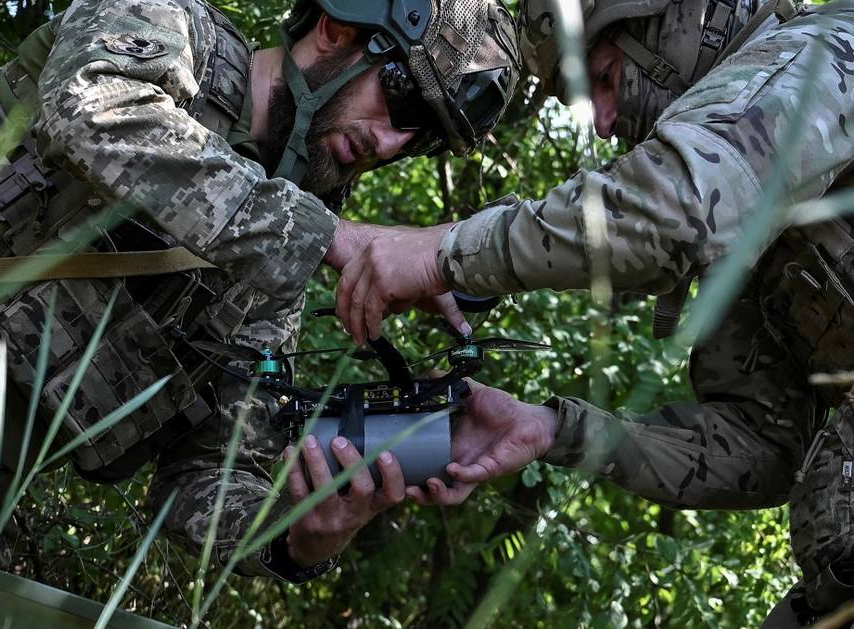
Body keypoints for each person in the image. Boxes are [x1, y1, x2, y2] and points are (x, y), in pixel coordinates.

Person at [332, 0, 854, 623]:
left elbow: (674, 209)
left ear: (676, 27)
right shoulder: (745, 226)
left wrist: (445, 251)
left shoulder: (833, 48)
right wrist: (557, 429)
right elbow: (766, 448)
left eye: (605, 78)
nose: (604, 124)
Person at [0, 0, 520, 582]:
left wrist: (301, 531)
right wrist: (329, 238)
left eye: (420, 139)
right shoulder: (169, 24)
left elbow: (205, 475)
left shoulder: (282, 262)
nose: (390, 144)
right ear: (337, 29)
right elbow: (88, 108)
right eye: (404, 98)